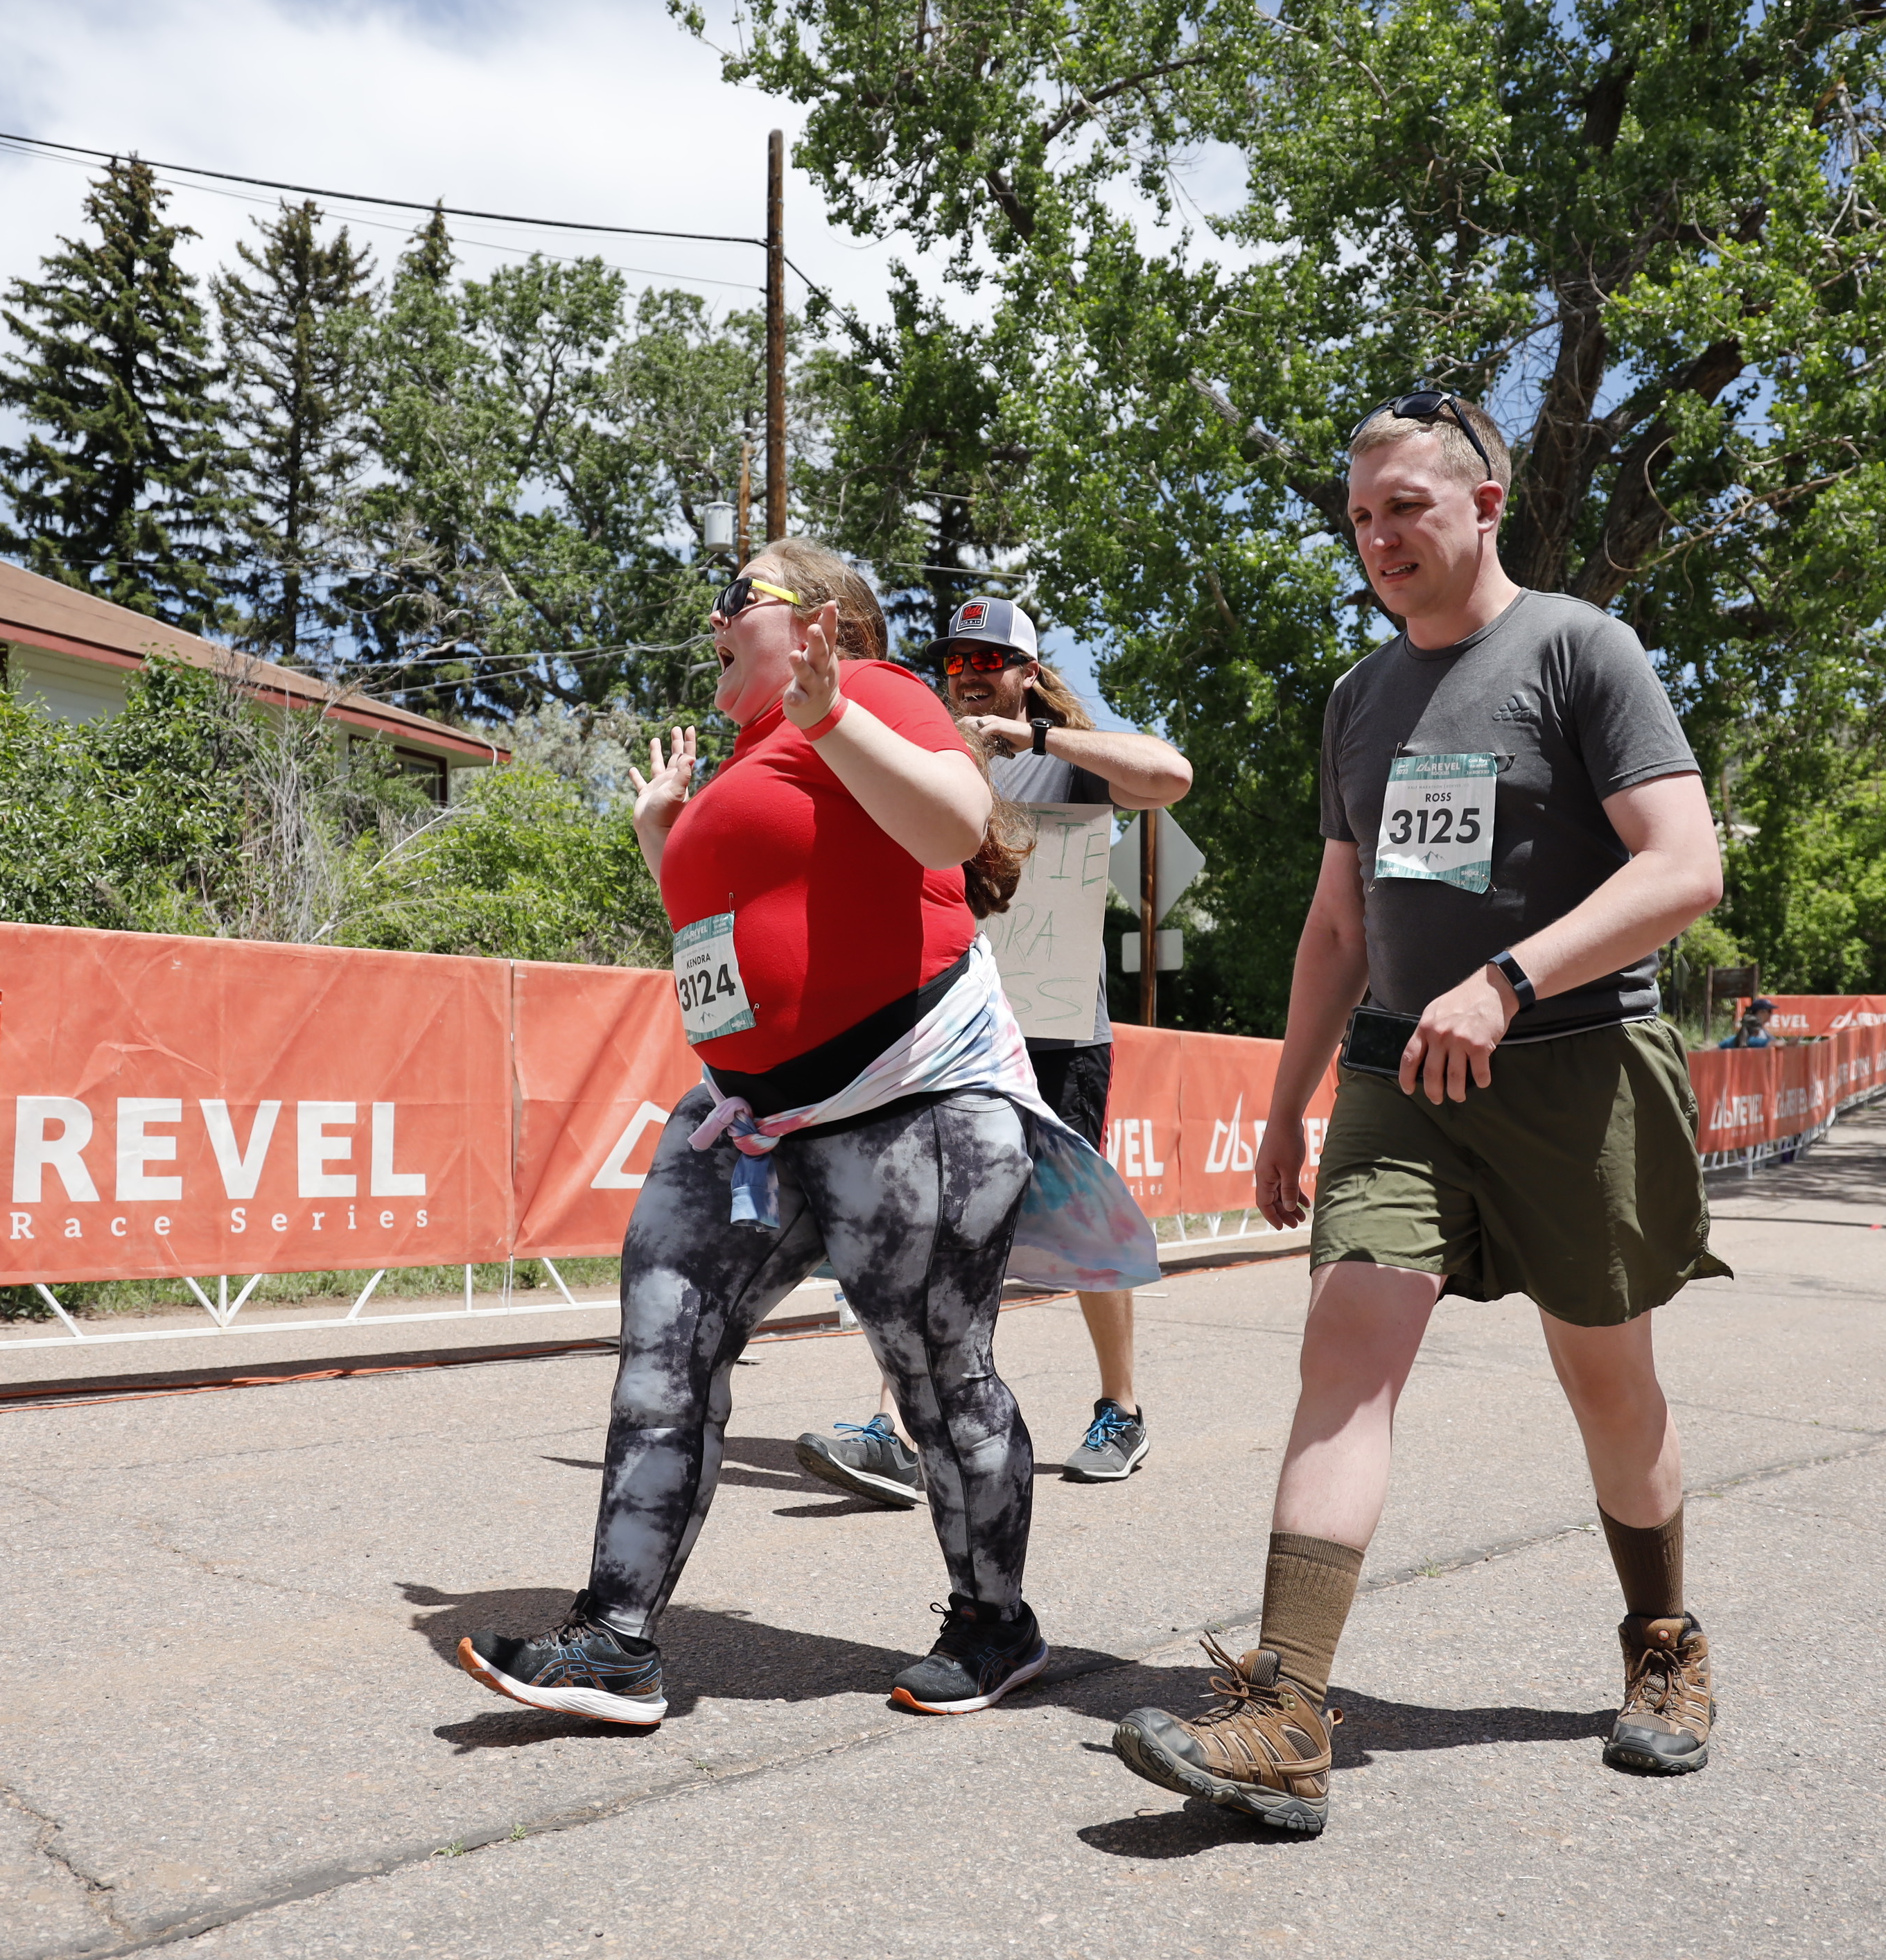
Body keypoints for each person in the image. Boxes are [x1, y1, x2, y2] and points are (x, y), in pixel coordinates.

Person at [1108, 389, 1731, 1834]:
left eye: (1407, 506)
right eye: (1359, 516)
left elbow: (1684, 866)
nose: (1379, 537)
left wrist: (1510, 980)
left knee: (1610, 1384)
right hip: (1400, 1074)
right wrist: (1284, 1107)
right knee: (1347, 1349)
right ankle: (1286, 1715)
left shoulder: (1579, 648)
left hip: (1577, 1063)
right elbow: (1339, 924)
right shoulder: (1361, 697)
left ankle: (1662, 1641)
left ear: (1485, 503)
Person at [457, 540, 1154, 1729]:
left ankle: (996, 1623)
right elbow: (723, 934)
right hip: (751, 1119)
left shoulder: (878, 693)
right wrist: (661, 833)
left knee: (938, 1373)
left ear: (821, 621)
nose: (714, 620)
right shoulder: (747, 760)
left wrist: (831, 712)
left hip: (912, 1095)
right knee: (665, 1348)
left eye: (739, 598)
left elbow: (953, 827)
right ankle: (616, 1640)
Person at [794, 597, 1194, 1504]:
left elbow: (1170, 776)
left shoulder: (1067, 763)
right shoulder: (926, 758)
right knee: (924, 1223)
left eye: (989, 658)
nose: (969, 673)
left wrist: (1036, 739)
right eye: (956, 660)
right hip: (951, 1030)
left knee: (1082, 1225)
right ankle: (899, 1428)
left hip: (1059, 1032)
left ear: (1027, 673)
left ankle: (1121, 1409)